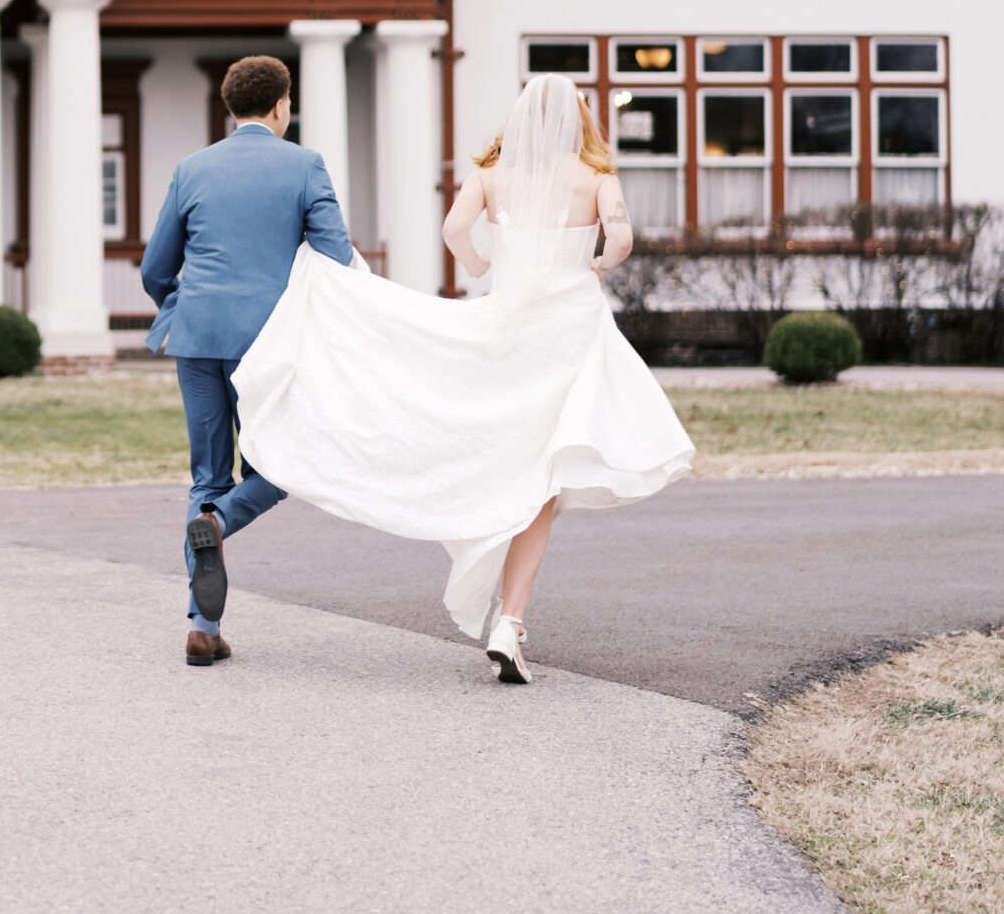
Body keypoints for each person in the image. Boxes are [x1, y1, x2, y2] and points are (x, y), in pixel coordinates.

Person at [234, 74, 694, 682]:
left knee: (511, 462)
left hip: (506, 328)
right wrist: (599, 264)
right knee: (547, 474)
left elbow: (454, 231)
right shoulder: (596, 176)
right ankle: (511, 619)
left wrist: (482, 262)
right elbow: (623, 237)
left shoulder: (490, 175)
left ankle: (504, 606)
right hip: (571, 331)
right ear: (579, 118)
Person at [140, 55, 353, 667]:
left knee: (206, 476)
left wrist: (183, 306)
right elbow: (336, 259)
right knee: (283, 462)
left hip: (197, 337)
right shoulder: (304, 165)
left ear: (231, 109)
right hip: (271, 345)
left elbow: (157, 267)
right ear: (283, 105)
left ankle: (203, 627)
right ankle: (223, 521)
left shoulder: (191, 168)